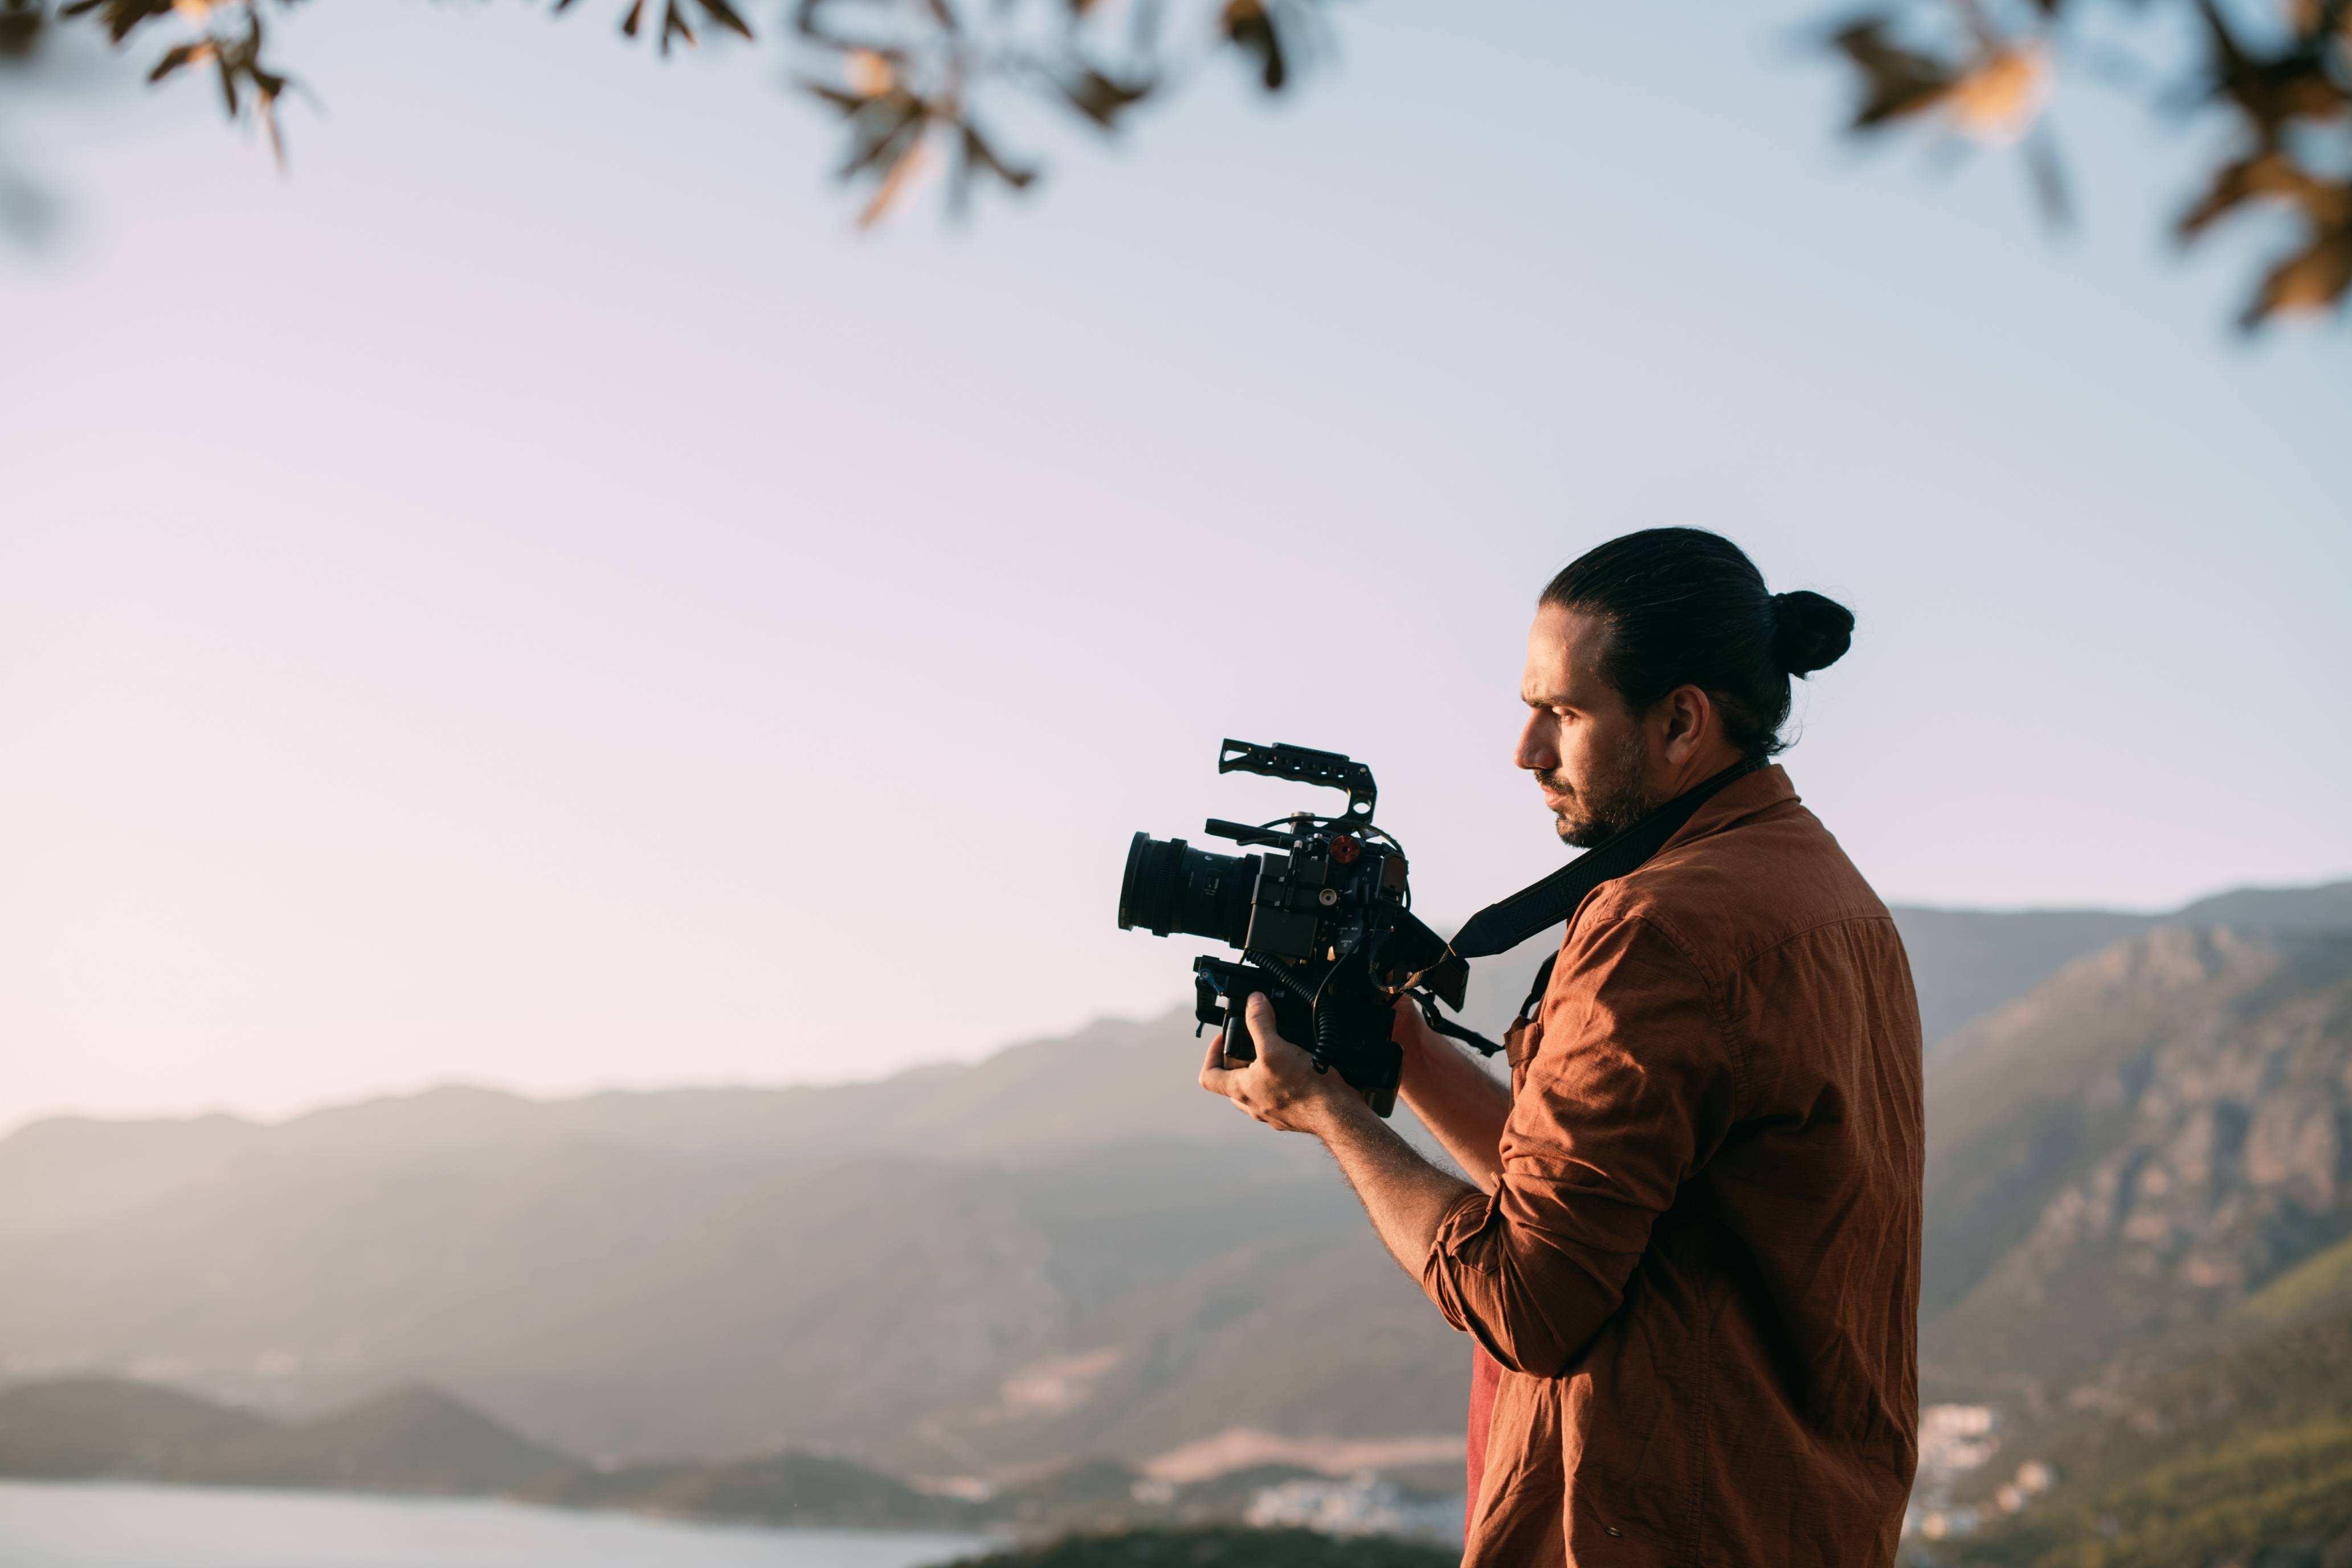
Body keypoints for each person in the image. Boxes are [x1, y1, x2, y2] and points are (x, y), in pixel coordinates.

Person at [1198, 528, 1923, 1566]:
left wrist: (1328, 1114)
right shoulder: (1832, 900)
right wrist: (1402, 1042)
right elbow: (1595, 1197)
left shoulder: (1658, 930)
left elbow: (1525, 1296)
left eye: (1565, 714)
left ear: (1681, 721)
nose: (1526, 752)